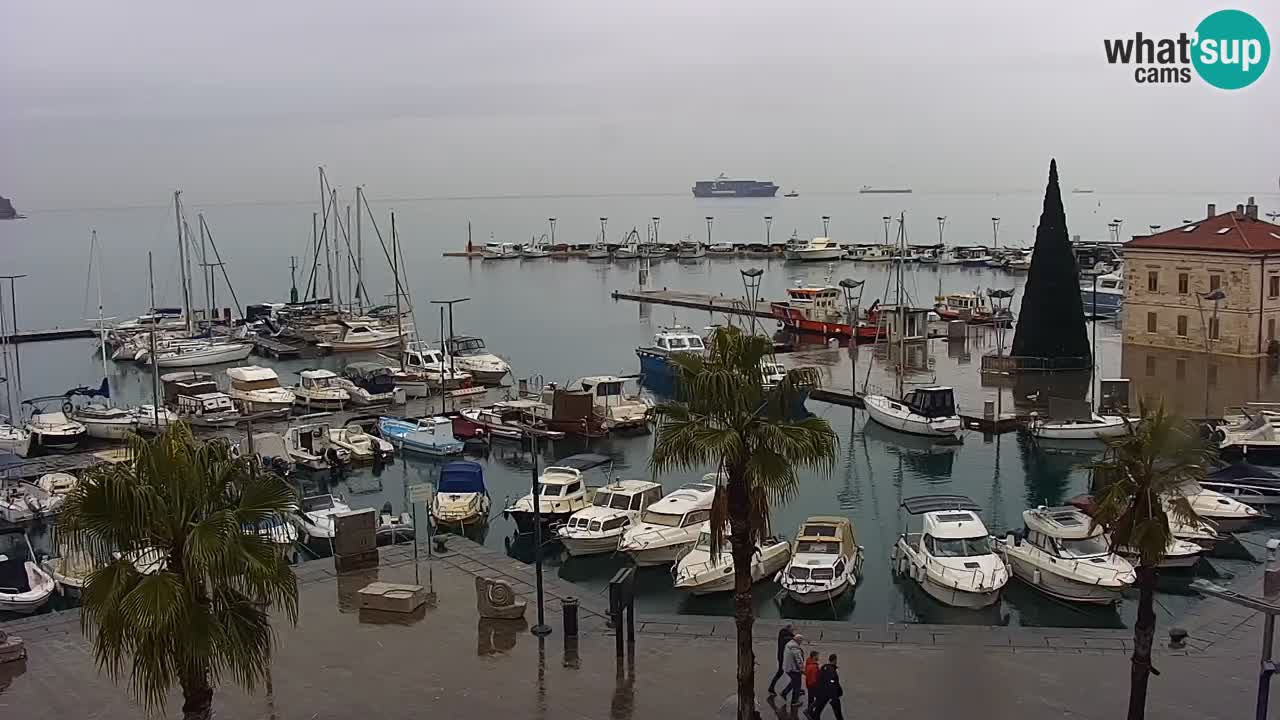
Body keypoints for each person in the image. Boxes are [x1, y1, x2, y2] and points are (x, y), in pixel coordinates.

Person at [808, 654, 844, 720]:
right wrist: (836, 694)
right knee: (837, 712)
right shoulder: (831, 670)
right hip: (831, 694)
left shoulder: (824, 667)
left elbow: (820, 679)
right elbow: (832, 682)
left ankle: (810, 712)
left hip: (822, 692)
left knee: (818, 708)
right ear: (835, 660)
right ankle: (810, 712)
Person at [766, 623, 795, 696]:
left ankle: (772, 688)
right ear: (788, 629)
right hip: (782, 657)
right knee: (792, 674)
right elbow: (787, 639)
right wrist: (794, 637)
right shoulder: (784, 634)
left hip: (783, 657)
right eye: (792, 629)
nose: (793, 631)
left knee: (783, 672)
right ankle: (791, 688)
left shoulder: (785, 634)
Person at [780, 633, 806, 706]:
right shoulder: (795, 647)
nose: (801, 643)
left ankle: (784, 693)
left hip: (787, 667)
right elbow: (799, 660)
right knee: (797, 685)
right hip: (793, 669)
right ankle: (794, 701)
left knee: (794, 682)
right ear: (798, 640)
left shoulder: (789, 644)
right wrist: (802, 670)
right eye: (801, 641)